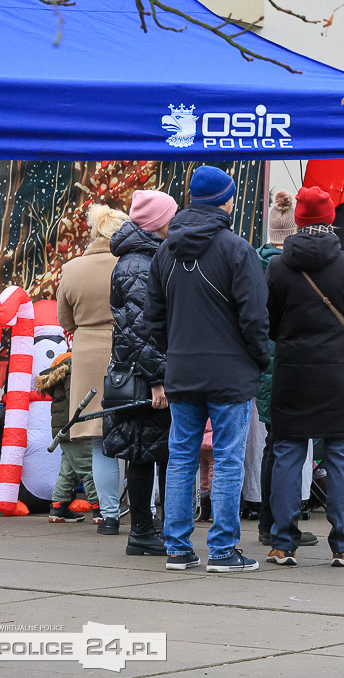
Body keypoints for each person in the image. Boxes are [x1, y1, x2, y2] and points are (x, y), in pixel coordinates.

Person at [144, 166, 270, 573]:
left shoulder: (164, 251)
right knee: (229, 458)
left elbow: (152, 319)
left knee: (180, 456)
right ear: (223, 200)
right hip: (230, 373)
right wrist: (259, 357)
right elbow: (255, 317)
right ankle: (222, 550)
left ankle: (177, 548)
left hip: (182, 370)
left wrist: (175, 352)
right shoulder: (237, 249)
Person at [265, 186, 344, 567]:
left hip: (293, 372)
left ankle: (281, 543)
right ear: (330, 220)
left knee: (287, 454)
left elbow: (271, 324)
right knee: (342, 456)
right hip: (339, 376)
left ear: (298, 222)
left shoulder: (278, 267)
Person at [103, 190, 177, 556]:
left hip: (136, 369)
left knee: (146, 451)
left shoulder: (143, 258)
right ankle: (146, 531)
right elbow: (140, 328)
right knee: (148, 452)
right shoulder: (139, 264)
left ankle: (150, 530)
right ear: (159, 222)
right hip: (144, 375)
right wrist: (157, 379)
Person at [255, 190, 318, 549]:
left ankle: (270, 522)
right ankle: (282, 524)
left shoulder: (254, 263)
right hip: (293, 363)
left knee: (273, 445)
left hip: (264, 365)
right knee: (289, 447)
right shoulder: (294, 266)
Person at [57, 204, 127, 534]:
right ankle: (144, 510)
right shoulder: (131, 263)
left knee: (100, 440)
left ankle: (109, 515)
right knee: (137, 431)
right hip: (127, 351)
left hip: (86, 354)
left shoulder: (72, 268)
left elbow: (65, 321)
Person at [36, 352, 98, 522]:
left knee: (68, 470)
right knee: (88, 467)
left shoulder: (62, 373)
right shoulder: (73, 369)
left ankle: (58, 508)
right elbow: (77, 399)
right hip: (75, 428)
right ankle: (101, 509)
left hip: (63, 429)